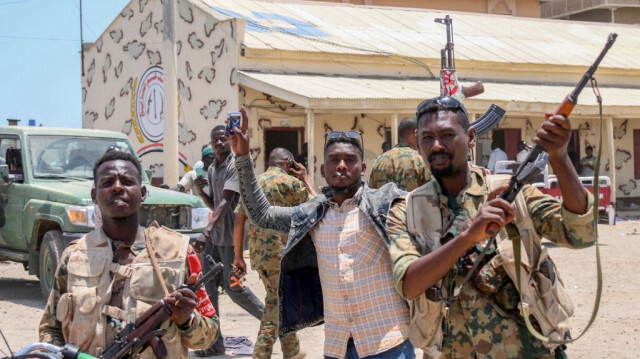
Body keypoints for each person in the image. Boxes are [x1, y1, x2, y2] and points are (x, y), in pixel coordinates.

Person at [387, 95, 596, 358]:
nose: (437, 145)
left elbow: (581, 234)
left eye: (448, 134)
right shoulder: (405, 210)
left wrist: (560, 157)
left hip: (528, 350)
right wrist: (468, 237)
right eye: (428, 138)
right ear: (417, 142)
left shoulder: (513, 193)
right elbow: (409, 283)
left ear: (471, 137)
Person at [230, 108, 414, 359]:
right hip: (337, 345)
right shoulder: (313, 215)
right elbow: (261, 214)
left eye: (349, 160)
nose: (341, 165)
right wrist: (242, 157)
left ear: (362, 168)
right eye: (334, 159)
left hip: (388, 344)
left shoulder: (384, 202)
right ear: (322, 169)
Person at [39, 151, 219, 358]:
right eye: (107, 183)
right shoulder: (74, 256)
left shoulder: (179, 252)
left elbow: (209, 335)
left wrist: (186, 320)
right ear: (94, 196)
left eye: (126, 181)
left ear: (143, 193)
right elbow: (50, 329)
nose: (117, 187)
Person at [233, 148, 316, 359]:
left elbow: (239, 220)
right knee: (274, 307)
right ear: (289, 163)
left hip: (260, 256)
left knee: (281, 303)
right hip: (284, 256)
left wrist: (238, 256)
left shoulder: (254, 183)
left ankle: (292, 352)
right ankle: (261, 354)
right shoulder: (293, 184)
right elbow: (317, 208)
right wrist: (305, 179)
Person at [193, 125, 265, 356]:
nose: (219, 143)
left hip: (230, 239)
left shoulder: (234, 165)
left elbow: (226, 202)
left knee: (234, 289)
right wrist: (201, 191)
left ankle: (272, 322)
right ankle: (215, 342)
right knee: (208, 288)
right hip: (215, 237)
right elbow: (215, 205)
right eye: (215, 140)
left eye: (223, 139)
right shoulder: (214, 167)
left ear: (229, 140)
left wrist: (206, 231)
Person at [369, 117, 431, 191]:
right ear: (416, 133)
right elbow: (434, 193)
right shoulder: (421, 160)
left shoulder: (379, 161)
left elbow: (371, 193)